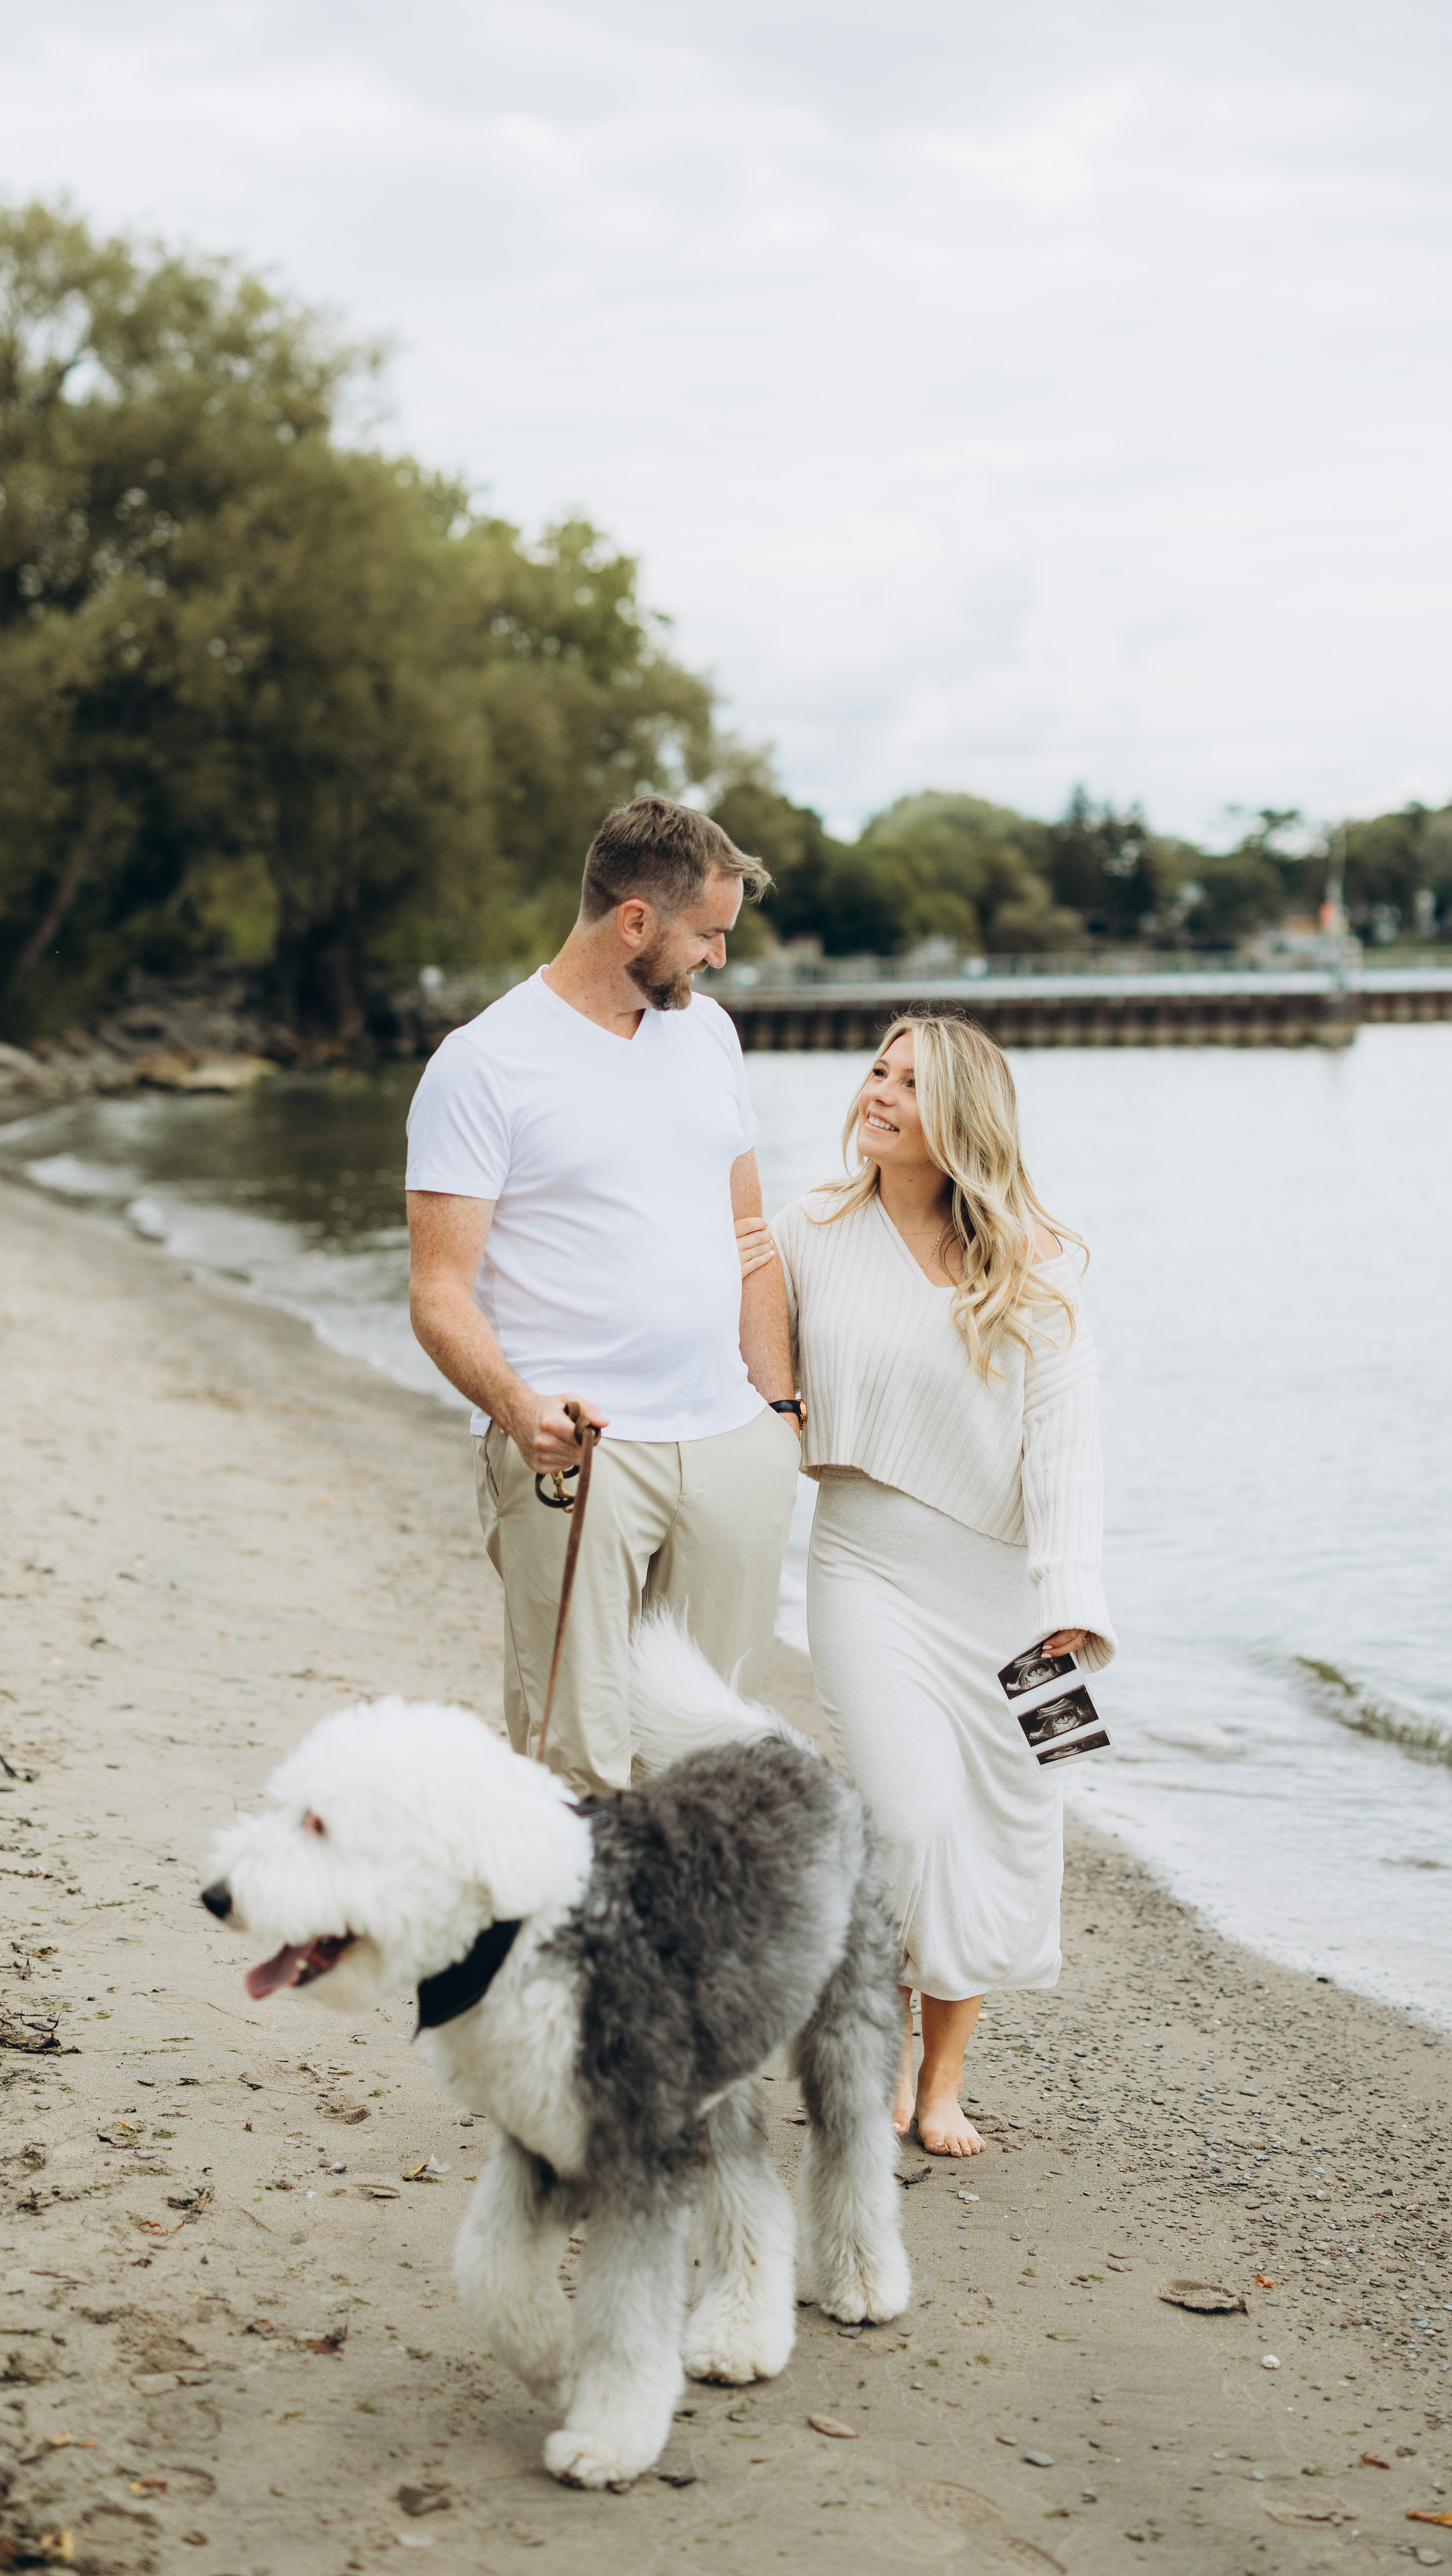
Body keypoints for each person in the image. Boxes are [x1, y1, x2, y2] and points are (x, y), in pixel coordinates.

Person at [750, 1015, 1112, 2157]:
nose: (881, 1093)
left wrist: (1072, 1611)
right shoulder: (806, 1227)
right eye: (876, 1070)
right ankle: (875, 2049)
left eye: (910, 1082)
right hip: (864, 1563)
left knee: (1017, 1824)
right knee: (909, 1822)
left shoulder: (1037, 1258)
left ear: (962, 1116)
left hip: (1014, 1590)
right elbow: (744, 1367)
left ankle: (939, 2080)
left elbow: (1067, 1448)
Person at [405, 797, 805, 1796]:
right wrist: (517, 1408)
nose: (716, 958)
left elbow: (750, 1242)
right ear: (635, 922)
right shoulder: (482, 1065)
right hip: (583, 1450)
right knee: (575, 1759)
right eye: (706, 935)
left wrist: (781, 1415)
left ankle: (695, 1955)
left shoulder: (708, 1035)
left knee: (713, 1750)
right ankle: (578, 1951)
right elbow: (440, 1292)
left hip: (728, 1444)